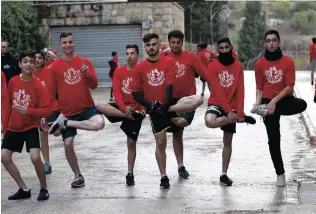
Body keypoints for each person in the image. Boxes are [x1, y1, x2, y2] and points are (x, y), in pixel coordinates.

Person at [47, 32, 105, 188]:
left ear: (74, 43)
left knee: (99, 124)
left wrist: (87, 74)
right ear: (60, 45)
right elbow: (51, 94)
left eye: (70, 42)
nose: (67, 45)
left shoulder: (84, 62)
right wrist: (54, 114)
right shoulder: (54, 67)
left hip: (86, 108)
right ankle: (78, 175)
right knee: (68, 144)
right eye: (64, 42)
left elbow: (94, 85)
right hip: (66, 111)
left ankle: (68, 123)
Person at [251, 30, 307, 187]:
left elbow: (289, 87)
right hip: (267, 101)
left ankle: (270, 109)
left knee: (302, 104)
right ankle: (280, 173)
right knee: (274, 140)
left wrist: (274, 103)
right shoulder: (260, 64)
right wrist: (258, 104)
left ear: (278, 42)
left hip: (282, 100)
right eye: (268, 40)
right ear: (265, 43)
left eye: (274, 40)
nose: (271, 43)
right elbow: (260, 88)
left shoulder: (288, 62)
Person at [164, 30, 219, 179]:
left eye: (178, 42)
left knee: (183, 123)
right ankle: (180, 166)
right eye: (172, 42)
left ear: (182, 42)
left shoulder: (191, 58)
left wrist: (218, 88)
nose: (175, 45)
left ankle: (165, 117)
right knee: (176, 134)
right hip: (169, 99)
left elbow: (205, 74)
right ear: (169, 42)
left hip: (188, 99)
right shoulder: (164, 57)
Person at [205, 37, 256, 186]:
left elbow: (240, 90)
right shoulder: (212, 66)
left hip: (233, 106)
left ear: (231, 47)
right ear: (218, 50)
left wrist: (238, 111)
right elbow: (218, 90)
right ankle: (241, 119)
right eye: (221, 48)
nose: (225, 50)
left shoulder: (238, 66)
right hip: (217, 103)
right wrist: (229, 112)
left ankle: (224, 174)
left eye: (227, 47)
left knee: (227, 142)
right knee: (209, 122)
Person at [1, 51, 51, 201]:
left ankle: (44, 188)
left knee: (35, 157)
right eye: (25, 61)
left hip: (30, 126)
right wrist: (5, 125)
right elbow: (7, 105)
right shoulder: (13, 82)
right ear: (20, 64)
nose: (28, 64)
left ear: (35, 65)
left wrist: (28, 110)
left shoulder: (38, 85)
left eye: (31, 61)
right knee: (4, 157)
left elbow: (46, 109)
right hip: (13, 126)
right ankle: (23, 188)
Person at [97, 44, 146, 186]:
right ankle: (126, 116)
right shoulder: (119, 72)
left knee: (131, 142)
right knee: (99, 106)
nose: (129, 55)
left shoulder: (141, 71)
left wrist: (143, 108)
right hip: (123, 109)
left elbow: (145, 93)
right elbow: (117, 92)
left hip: (137, 109)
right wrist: (124, 109)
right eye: (127, 53)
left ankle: (130, 173)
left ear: (137, 55)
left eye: (132, 53)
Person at [33, 50, 59, 174]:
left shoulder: (50, 71)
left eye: (40, 58)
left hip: (53, 108)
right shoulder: (29, 74)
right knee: (43, 138)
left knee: (57, 132)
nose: (37, 60)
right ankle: (47, 163)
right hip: (38, 111)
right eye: (35, 58)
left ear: (44, 60)